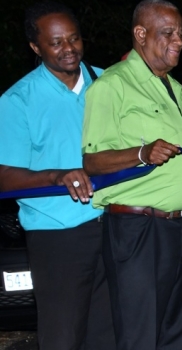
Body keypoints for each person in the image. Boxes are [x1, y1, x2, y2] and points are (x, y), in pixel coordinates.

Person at [81, 1, 182, 348]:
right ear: (141, 34)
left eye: (181, 33)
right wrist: (141, 153)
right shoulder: (112, 85)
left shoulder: (176, 88)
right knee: (141, 335)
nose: (179, 40)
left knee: (181, 333)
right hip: (139, 230)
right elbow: (92, 161)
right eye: (168, 33)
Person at [0, 2, 114, 349]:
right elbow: (5, 176)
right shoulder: (17, 100)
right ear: (36, 47)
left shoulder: (107, 83)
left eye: (74, 38)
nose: (69, 48)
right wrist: (55, 176)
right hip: (58, 236)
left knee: (109, 333)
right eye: (56, 42)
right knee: (63, 335)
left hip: (114, 223)